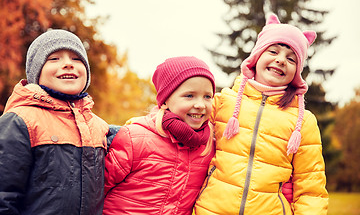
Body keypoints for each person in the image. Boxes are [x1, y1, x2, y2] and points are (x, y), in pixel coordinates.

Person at [194, 14, 328, 214]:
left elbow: (311, 188)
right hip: (211, 210)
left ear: (297, 71)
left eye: (291, 59)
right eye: (273, 51)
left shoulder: (303, 122)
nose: (281, 60)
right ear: (256, 57)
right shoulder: (223, 102)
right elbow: (183, 119)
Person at [0, 29, 109, 214]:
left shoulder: (99, 127)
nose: (68, 64)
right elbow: (4, 195)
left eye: (76, 58)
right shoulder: (20, 121)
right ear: (37, 71)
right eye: (54, 58)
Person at [103, 56, 216, 215]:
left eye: (207, 96)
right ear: (165, 101)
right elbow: (96, 188)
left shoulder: (208, 148)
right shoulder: (135, 137)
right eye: (189, 95)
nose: (200, 105)